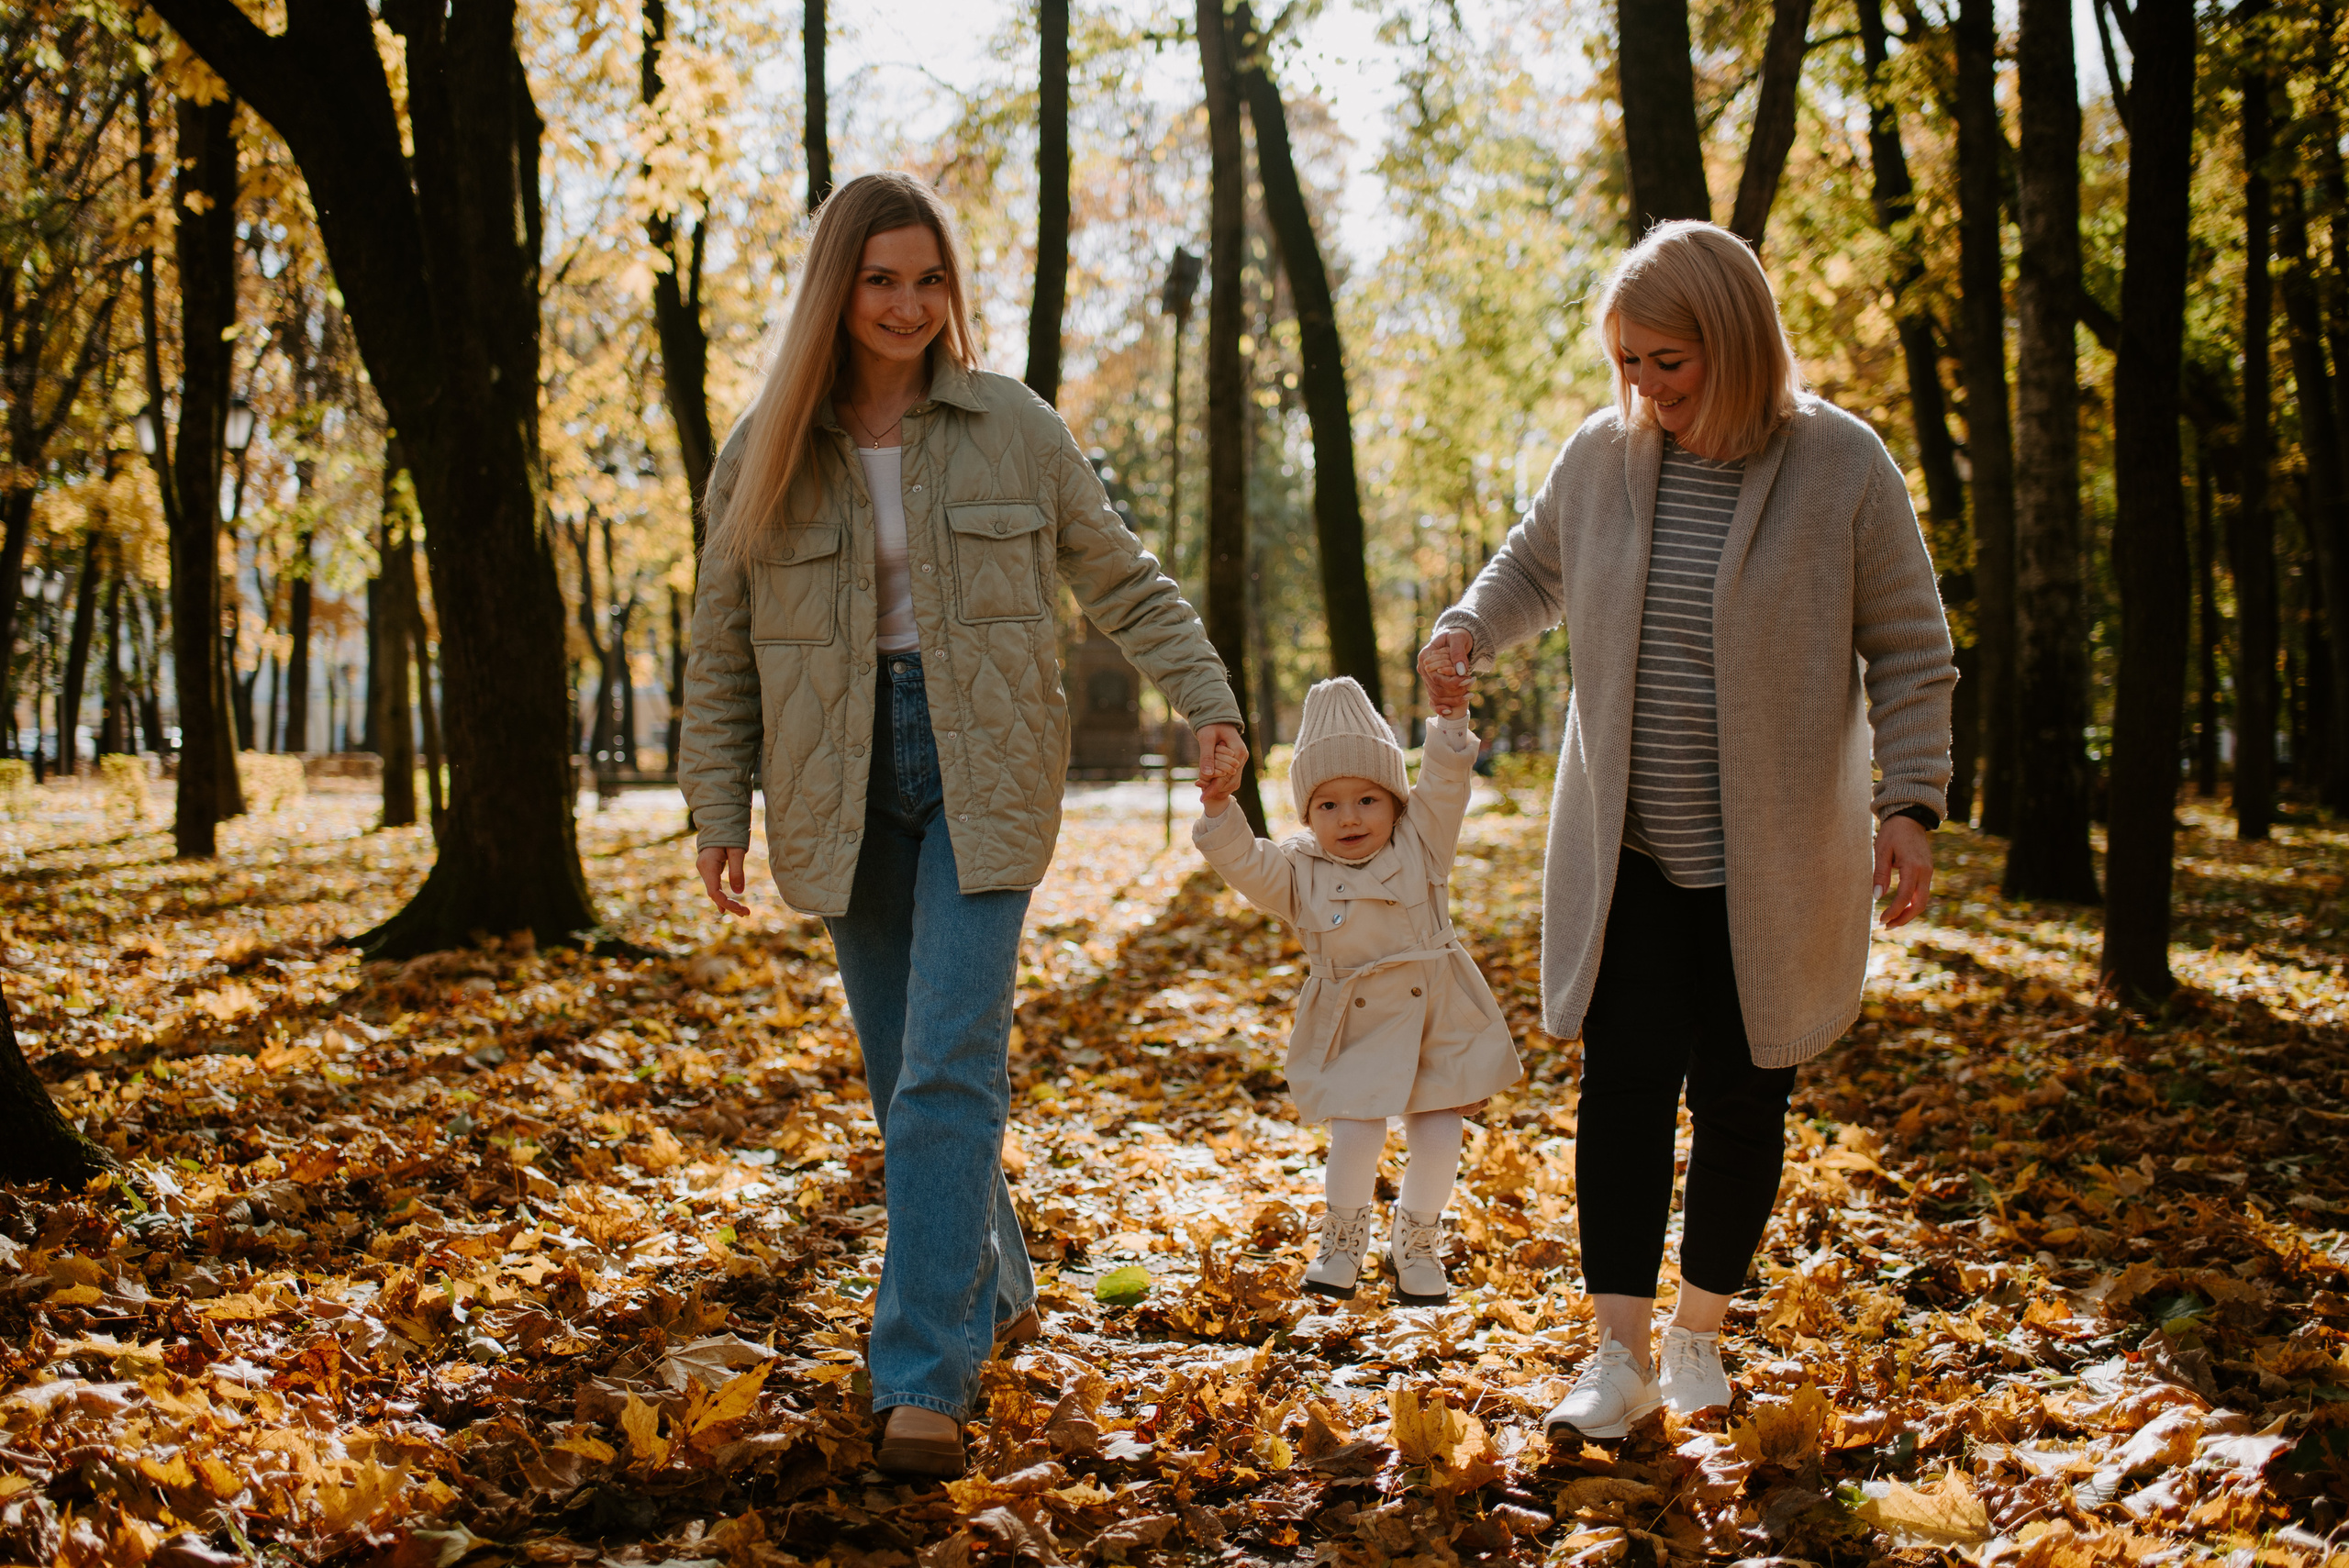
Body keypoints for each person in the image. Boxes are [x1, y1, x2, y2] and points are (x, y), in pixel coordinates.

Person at [679, 172, 1246, 1481]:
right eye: (881, 279)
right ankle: (997, 1279)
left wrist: (1206, 699)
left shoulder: (1010, 425)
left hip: (983, 766)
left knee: (948, 1065)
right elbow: (719, 646)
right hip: (838, 776)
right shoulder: (763, 445)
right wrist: (719, 801)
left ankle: (922, 1374)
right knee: (903, 1080)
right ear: (838, 287)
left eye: (929, 279)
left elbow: (1119, 574)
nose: (908, 304)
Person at [1419, 219, 1955, 1438]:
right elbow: (1526, 571)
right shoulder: (1603, 460)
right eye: (1629, 364)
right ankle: (1616, 1356)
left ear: (1737, 340)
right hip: (1632, 859)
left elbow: (1914, 653)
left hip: (1775, 868)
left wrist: (1910, 805)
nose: (1648, 389)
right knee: (1620, 1092)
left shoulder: (1844, 468)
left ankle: (1701, 1336)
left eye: (1673, 362)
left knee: (1745, 1095)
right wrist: (1464, 626)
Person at [1191, 676, 1521, 1307]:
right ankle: (1341, 1236)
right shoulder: (1298, 870)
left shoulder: (1422, 842)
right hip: (1353, 1017)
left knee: (1437, 1132)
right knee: (1356, 1131)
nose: (1350, 817)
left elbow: (1447, 784)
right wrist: (1218, 809)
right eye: (1329, 804)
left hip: (1435, 1009)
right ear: (1308, 814)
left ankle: (1416, 1240)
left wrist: (1451, 724)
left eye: (1368, 799)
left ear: (1395, 799)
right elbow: (1244, 864)